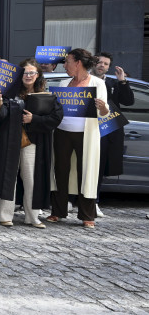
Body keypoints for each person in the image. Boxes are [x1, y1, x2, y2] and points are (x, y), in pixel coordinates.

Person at [0, 58, 63, 227]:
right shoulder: (9, 92)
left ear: (38, 75)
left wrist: (33, 119)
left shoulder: (46, 95)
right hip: (10, 140)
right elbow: (2, 116)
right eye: (25, 73)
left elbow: (56, 118)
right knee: (8, 177)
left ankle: (33, 217)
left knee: (32, 179)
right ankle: (4, 215)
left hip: (33, 141)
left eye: (31, 72)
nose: (28, 76)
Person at [48, 48, 110, 228]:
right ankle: (57, 211)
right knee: (60, 170)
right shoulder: (63, 83)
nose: (65, 65)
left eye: (67, 62)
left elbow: (104, 114)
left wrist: (103, 108)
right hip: (62, 132)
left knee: (86, 171)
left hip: (86, 134)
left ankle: (87, 215)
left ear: (78, 63)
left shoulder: (98, 83)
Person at [92, 52, 134, 216]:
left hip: (106, 130)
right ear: (93, 63)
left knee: (100, 166)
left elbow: (129, 101)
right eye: (99, 62)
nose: (102, 65)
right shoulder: (83, 81)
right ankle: (70, 200)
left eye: (106, 64)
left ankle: (93, 201)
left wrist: (122, 81)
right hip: (84, 128)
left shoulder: (113, 83)